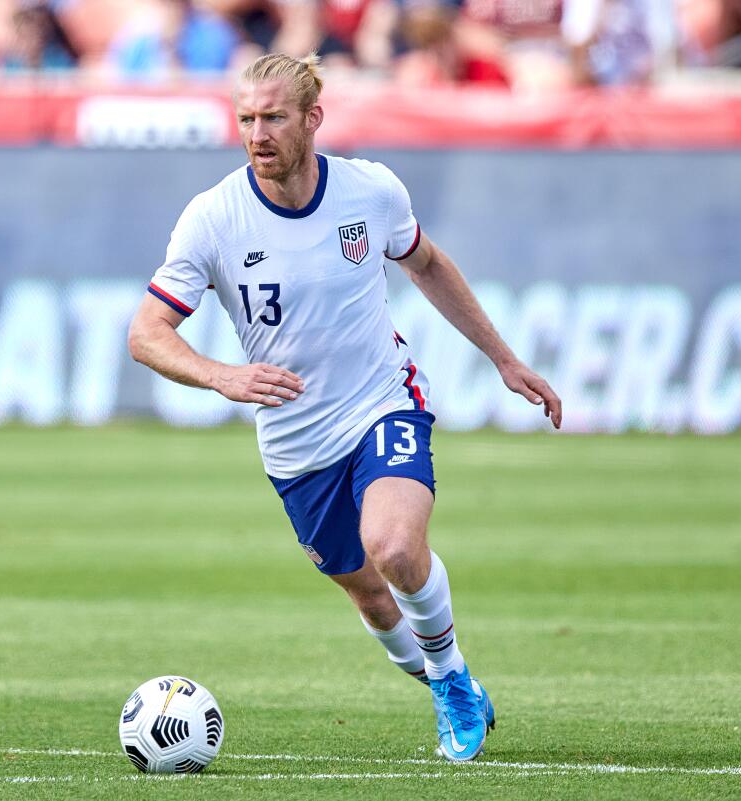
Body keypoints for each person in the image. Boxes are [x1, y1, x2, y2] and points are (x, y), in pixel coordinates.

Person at [127, 52, 562, 761]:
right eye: (245, 119)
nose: (257, 133)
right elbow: (146, 334)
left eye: (273, 117)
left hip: (382, 403)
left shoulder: (370, 193)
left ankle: (450, 679)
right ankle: (448, 680)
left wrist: (504, 359)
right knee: (371, 597)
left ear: (312, 119)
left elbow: (427, 263)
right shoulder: (212, 219)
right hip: (297, 447)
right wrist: (221, 376)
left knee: (394, 546)